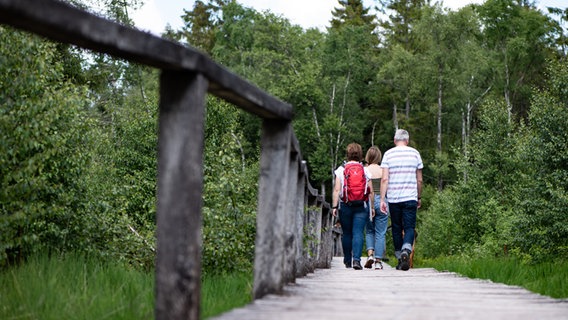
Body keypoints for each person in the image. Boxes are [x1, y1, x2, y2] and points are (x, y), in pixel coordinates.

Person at [380, 129, 423, 271]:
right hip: (410, 196)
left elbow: (385, 179)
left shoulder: (388, 154)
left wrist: (382, 199)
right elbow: (420, 180)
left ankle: (400, 258)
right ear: (407, 140)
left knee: (397, 228)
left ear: (394, 140)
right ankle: (406, 250)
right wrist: (419, 196)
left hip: (393, 198)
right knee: (409, 227)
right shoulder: (415, 153)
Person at [331, 143, 374, 270]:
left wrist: (334, 206)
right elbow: (370, 191)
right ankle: (356, 260)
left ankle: (347, 261)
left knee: (347, 233)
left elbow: (336, 190)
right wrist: (371, 208)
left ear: (348, 154)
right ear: (360, 155)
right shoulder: (365, 170)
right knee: (358, 233)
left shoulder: (341, 170)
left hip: (345, 205)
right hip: (361, 205)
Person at [363, 146, 388, 270]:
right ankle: (378, 261)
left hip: (368, 201)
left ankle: (370, 255)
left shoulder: (365, 170)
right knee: (380, 233)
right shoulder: (383, 170)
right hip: (383, 201)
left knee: (369, 231)